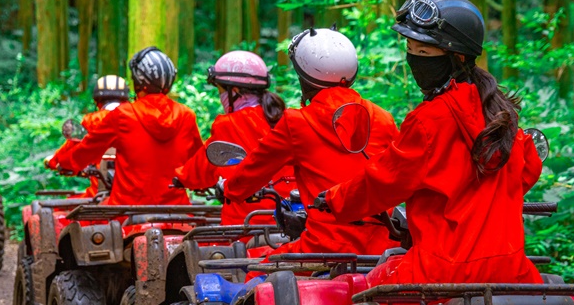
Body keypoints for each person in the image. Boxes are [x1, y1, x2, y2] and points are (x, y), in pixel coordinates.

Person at [321, 0, 544, 286]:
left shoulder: (429, 121)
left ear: (458, 57)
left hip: (439, 272)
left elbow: (385, 180)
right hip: (510, 271)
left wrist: (335, 199)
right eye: (410, 49)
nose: (414, 60)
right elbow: (527, 172)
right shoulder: (500, 113)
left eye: (424, 53)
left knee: (352, 301)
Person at [222, 29, 398, 255]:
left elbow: (252, 170)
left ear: (303, 77)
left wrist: (231, 189)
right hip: (382, 249)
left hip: (324, 248)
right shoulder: (383, 118)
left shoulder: (297, 122)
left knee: (254, 270)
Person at [55, 47, 203, 206]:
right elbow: (199, 163)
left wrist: (65, 163)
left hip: (128, 212)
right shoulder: (186, 115)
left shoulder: (123, 115)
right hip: (177, 213)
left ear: (137, 82)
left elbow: (87, 149)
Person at [174, 51, 295, 226]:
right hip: (290, 221)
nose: (220, 97)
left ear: (235, 92)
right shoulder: (286, 118)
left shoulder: (227, 124)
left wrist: (181, 178)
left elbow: (201, 169)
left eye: (220, 90)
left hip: (246, 224)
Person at [47, 74, 130, 197]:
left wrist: (54, 162)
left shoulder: (92, 121)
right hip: (136, 193)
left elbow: (72, 149)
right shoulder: (135, 118)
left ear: (97, 101)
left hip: (101, 193)